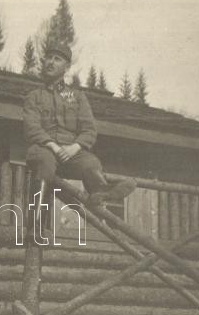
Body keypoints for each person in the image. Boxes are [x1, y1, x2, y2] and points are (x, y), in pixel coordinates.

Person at [23, 41, 136, 208]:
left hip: (71, 153)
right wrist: (54, 147)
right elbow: (32, 128)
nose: (51, 62)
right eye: (49, 58)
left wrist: (74, 148)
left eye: (57, 59)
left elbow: (89, 130)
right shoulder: (34, 96)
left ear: (67, 67)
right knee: (45, 163)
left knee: (91, 162)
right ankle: (36, 221)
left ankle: (100, 192)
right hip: (44, 148)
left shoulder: (77, 97)